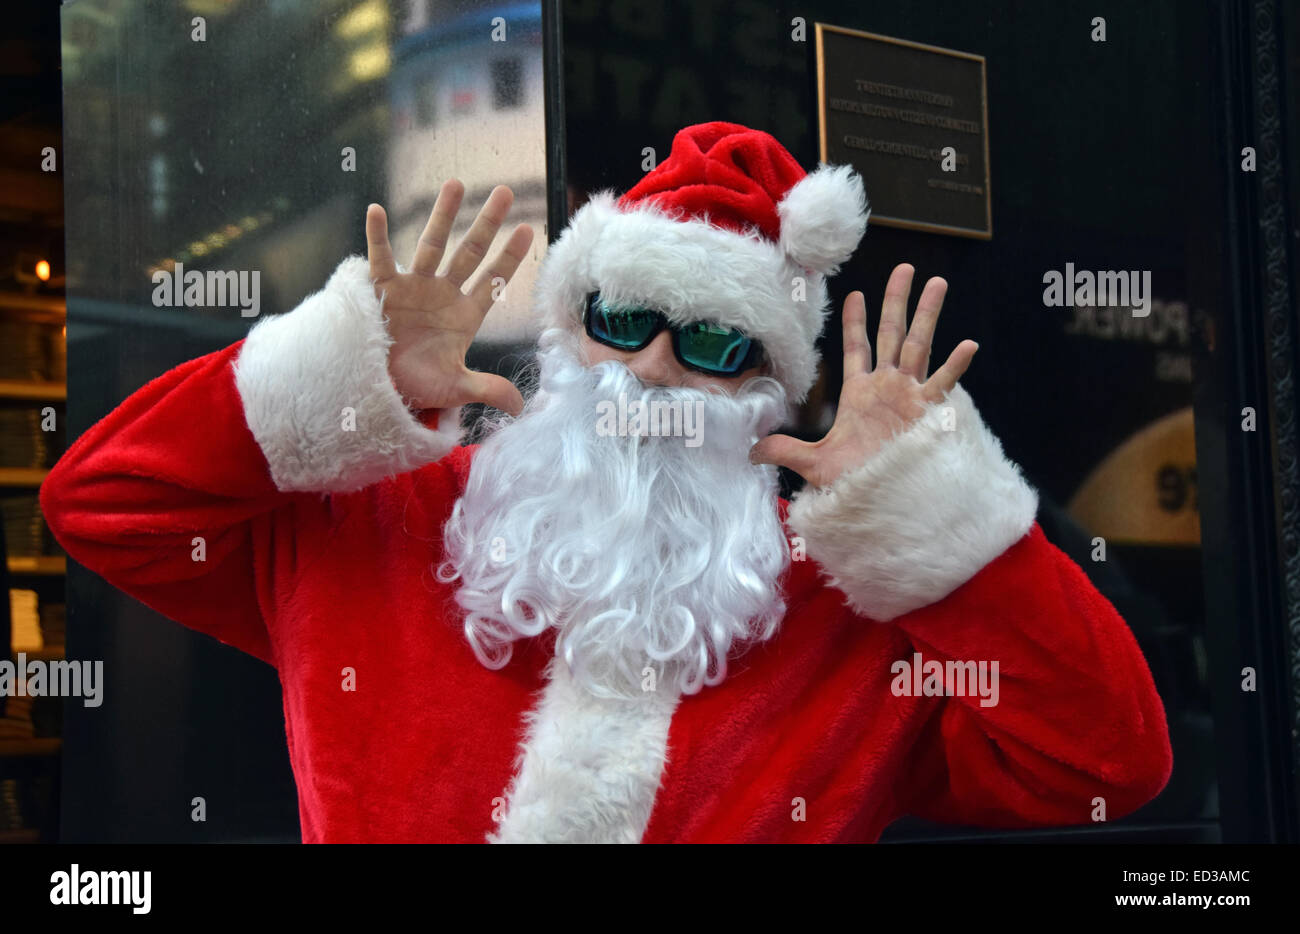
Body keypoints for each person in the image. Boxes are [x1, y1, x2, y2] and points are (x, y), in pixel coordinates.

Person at [40, 122, 1172, 843]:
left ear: (766, 394)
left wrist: (931, 515)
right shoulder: (376, 523)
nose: (649, 368)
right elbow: (104, 505)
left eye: (715, 345)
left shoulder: (845, 617)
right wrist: (338, 380)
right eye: (619, 320)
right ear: (568, 328)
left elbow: (1104, 764)